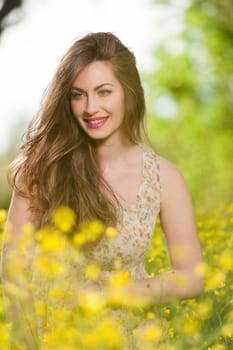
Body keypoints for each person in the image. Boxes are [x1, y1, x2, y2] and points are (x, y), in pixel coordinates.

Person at [1, 32, 204, 349]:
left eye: (104, 92)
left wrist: (112, 295)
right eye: (78, 95)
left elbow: (192, 277)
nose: (90, 108)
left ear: (129, 93)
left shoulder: (164, 177)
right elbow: (13, 274)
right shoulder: (41, 170)